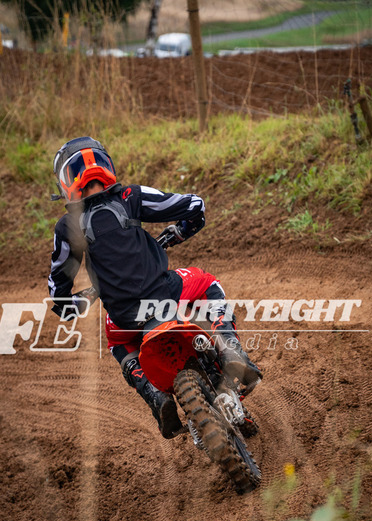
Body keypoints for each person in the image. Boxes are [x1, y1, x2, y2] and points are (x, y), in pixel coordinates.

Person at [48, 136, 262, 438]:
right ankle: (230, 349)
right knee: (208, 283)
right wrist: (181, 232)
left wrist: (76, 303)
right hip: (166, 293)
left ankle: (155, 395)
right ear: (106, 166)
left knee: (118, 344)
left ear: (66, 181)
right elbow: (194, 205)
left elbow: (58, 290)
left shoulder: (67, 227)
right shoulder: (130, 197)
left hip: (125, 317)